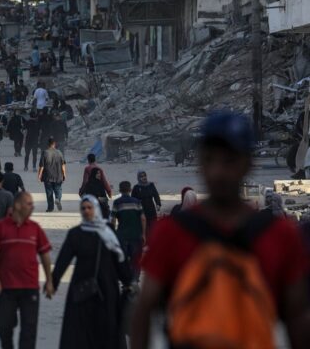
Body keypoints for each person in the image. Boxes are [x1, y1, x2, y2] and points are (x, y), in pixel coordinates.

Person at [130, 112, 310, 349]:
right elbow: (144, 310)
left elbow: (298, 316)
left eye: (229, 160)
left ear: (248, 163)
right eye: (209, 159)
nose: (217, 171)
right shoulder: (171, 233)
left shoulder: (280, 236)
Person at [52, 195, 131, 349]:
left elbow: (119, 258)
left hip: (107, 290)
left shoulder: (108, 232)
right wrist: (53, 281)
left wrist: (128, 281)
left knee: (107, 330)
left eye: (89, 207)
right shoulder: (76, 233)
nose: (86, 211)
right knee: (81, 332)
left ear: (96, 209)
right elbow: (63, 260)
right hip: (82, 289)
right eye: (83, 208)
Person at [0, 192, 53, 349]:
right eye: (29, 204)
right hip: (6, 287)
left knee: (29, 330)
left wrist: (49, 280)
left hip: (30, 287)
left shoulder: (35, 228)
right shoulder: (1, 227)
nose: (32, 207)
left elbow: (45, 255)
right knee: (4, 328)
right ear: (17, 205)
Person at [112, 181, 145, 282]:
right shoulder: (137, 202)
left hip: (122, 236)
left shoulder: (117, 202)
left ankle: (125, 280)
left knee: (123, 259)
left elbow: (113, 219)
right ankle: (135, 279)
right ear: (130, 190)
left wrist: (113, 233)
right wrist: (143, 234)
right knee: (136, 258)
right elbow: (143, 218)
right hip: (136, 235)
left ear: (120, 190)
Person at [38, 137, 66, 212]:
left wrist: (39, 175)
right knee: (58, 189)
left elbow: (42, 165)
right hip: (58, 175)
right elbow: (63, 165)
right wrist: (64, 174)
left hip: (48, 176)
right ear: (54, 144)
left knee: (49, 192)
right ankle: (58, 199)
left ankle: (50, 208)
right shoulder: (59, 152)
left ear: (48, 144)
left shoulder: (45, 152)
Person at [131, 170, 161, 234]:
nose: (144, 177)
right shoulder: (136, 187)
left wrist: (158, 204)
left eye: (145, 176)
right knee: (143, 227)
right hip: (141, 209)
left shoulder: (151, 185)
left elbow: (156, 195)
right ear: (138, 178)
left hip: (151, 208)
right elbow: (133, 200)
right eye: (141, 176)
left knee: (153, 225)